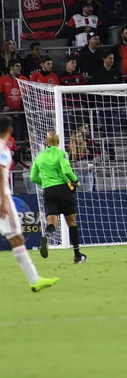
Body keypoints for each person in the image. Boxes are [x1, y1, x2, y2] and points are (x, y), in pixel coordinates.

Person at [0, 116, 59, 292]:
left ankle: (35, 279)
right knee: (17, 238)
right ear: (10, 131)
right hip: (2, 198)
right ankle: (34, 280)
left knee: (16, 238)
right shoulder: (2, 149)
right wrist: (3, 201)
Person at [30, 131, 87, 263]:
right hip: (63, 189)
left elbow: (33, 177)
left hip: (48, 191)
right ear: (58, 142)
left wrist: (44, 183)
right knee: (72, 223)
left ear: (46, 142)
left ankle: (47, 235)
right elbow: (67, 170)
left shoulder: (39, 157)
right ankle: (77, 255)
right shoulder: (62, 154)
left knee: (52, 223)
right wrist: (75, 180)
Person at [0, 60, 28, 142]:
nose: (19, 68)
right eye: (17, 66)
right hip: (7, 113)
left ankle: (18, 152)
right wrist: (4, 106)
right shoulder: (2, 79)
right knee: (7, 135)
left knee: (19, 134)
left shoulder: (23, 79)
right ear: (11, 68)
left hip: (20, 112)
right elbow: (0, 95)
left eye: (20, 66)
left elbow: (27, 94)